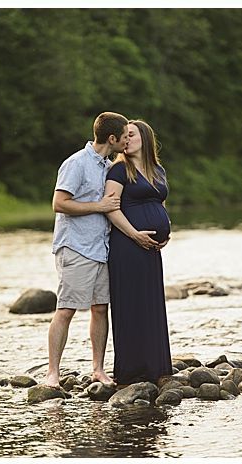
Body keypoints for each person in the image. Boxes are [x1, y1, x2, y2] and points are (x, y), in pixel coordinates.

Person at [46, 111, 128, 387]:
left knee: (100, 309)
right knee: (66, 309)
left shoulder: (107, 167)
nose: (127, 141)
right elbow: (59, 203)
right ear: (112, 138)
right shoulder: (76, 163)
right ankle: (52, 374)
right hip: (75, 247)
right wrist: (99, 206)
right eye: (124, 136)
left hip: (100, 248)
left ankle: (98, 370)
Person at [104, 119, 173, 385]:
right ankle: (132, 370)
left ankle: (155, 366)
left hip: (152, 247)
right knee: (131, 304)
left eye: (131, 135)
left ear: (144, 138)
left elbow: (161, 203)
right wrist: (134, 234)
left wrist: (167, 229)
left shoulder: (158, 170)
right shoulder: (120, 170)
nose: (126, 139)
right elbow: (111, 208)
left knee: (151, 303)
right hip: (127, 245)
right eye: (124, 136)